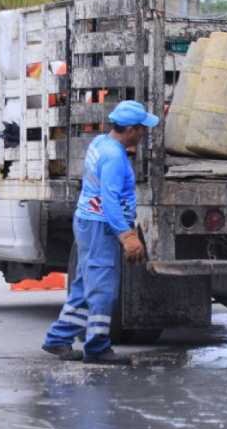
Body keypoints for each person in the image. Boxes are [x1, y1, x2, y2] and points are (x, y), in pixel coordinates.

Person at [42, 100, 158, 364]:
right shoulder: (115, 158)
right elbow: (110, 200)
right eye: (141, 129)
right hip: (100, 226)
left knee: (84, 284)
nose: (143, 134)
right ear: (130, 130)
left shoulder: (100, 144)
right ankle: (97, 347)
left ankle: (58, 338)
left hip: (88, 222)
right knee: (103, 289)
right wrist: (127, 235)